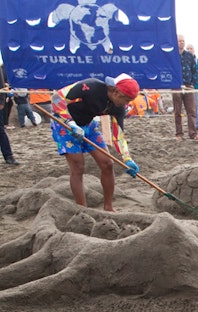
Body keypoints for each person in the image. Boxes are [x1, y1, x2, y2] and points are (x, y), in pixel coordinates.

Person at [50, 74, 141, 210]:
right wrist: (71, 123)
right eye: (126, 99)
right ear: (116, 92)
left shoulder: (118, 108)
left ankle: (108, 208)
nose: (126, 104)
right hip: (65, 124)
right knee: (78, 166)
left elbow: (119, 135)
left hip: (88, 125)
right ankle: (83, 210)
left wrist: (127, 158)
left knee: (107, 164)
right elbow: (56, 98)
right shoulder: (90, 86)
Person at [172, 34, 198, 141]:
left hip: (188, 86)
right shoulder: (172, 55)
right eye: (179, 41)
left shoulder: (189, 56)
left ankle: (193, 134)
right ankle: (179, 134)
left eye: (183, 41)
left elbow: (194, 70)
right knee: (177, 111)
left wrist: (193, 82)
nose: (182, 43)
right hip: (176, 86)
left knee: (191, 110)